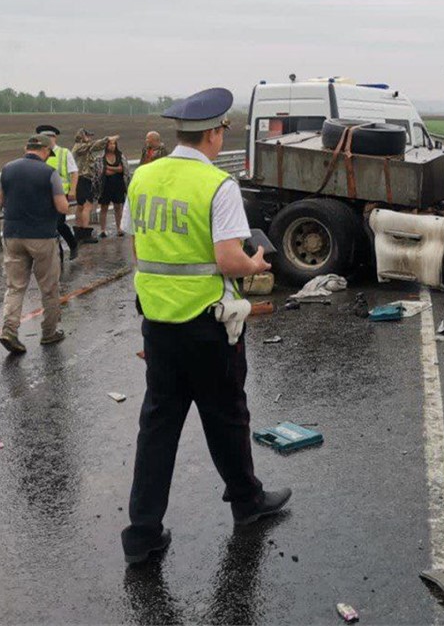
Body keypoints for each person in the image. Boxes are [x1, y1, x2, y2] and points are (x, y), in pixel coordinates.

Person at [120, 87, 290, 566]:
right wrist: (254, 261)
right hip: (208, 327)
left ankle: (142, 532)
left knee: (157, 428)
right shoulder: (218, 186)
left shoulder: (143, 176)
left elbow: (137, 247)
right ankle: (247, 501)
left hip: (157, 325)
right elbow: (226, 258)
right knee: (227, 417)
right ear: (214, 134)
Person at [0, 135, 68, 353]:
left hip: (12, 235)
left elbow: (1, 201)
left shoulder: (7, 169)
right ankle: (49, 333)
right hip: (42, 236)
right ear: (46, 150)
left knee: (15, 287)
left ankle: (9, 330)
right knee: (49, 287)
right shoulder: (49, 173)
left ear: (26, 148)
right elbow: (62, 207)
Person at [36, 125, 79, 260]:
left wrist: (72, 190)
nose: (46, 140)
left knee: (58, 223)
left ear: (55, 138)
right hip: (43, 195)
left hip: (61, 194)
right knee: (49, 224)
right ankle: (57, 254)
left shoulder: (64, 153)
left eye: (49, 137)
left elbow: (74, 172)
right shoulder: (38, 154)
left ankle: (73, 245)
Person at [72, 128, 111, 244]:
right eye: (88, 136)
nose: (90, 138)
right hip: (84, 178)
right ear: (82, 136)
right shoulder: (80, 147)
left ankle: (78, 231)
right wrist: (107, 139)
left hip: (80, 179)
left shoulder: (79, 147)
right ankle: (84, 233)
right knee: (87, 206)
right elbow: (94, 145)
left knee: (80, 206)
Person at [96, 136, 130, 237]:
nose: (112, 146)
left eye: (114, 144)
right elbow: (102, 171)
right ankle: (102, 229)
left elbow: (122, 169)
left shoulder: (120, 156)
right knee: (104, 207)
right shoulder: (101, 157)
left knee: (118, 207)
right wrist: (115, 169)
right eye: (110, 144)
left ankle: (119, 228)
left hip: (118, 185)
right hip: (105, 185)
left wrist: (109, 168)